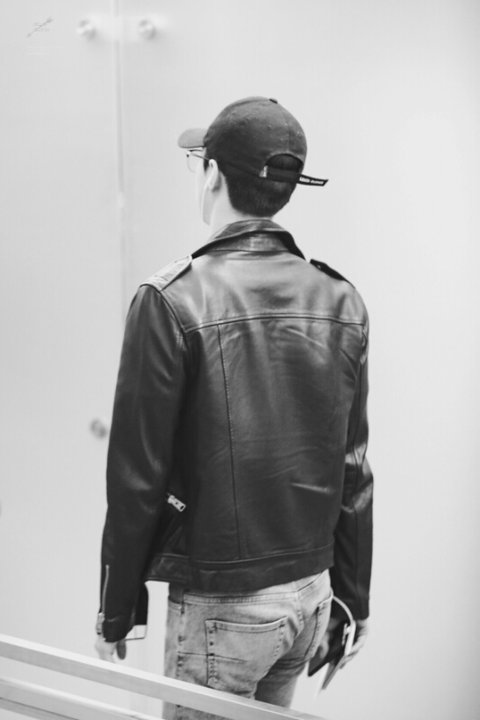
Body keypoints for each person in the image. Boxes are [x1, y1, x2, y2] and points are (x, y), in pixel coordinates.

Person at [95, 96, 373, 716]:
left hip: (224, 608)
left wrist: (117, 608)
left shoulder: (170, 299)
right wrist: (353, 601)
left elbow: (137, 476)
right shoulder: (341, 299)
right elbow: (353, 465)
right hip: (310, 595)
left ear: (213, 174)